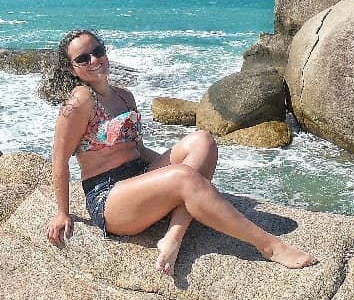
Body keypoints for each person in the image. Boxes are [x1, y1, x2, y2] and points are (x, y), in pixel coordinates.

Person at [41, 29, 317, 275]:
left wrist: (181, 165)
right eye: (83, 59)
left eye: (97, 51)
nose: (94, 60)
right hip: (110, 197)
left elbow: (136, 148)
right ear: (72, 69)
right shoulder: (80, 99)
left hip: (140, 177)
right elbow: (59, 161)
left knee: (202, 140)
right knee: (183, 177)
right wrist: (63, 213)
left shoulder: (125, 96)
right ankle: (269, 246)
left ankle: (175, 233)